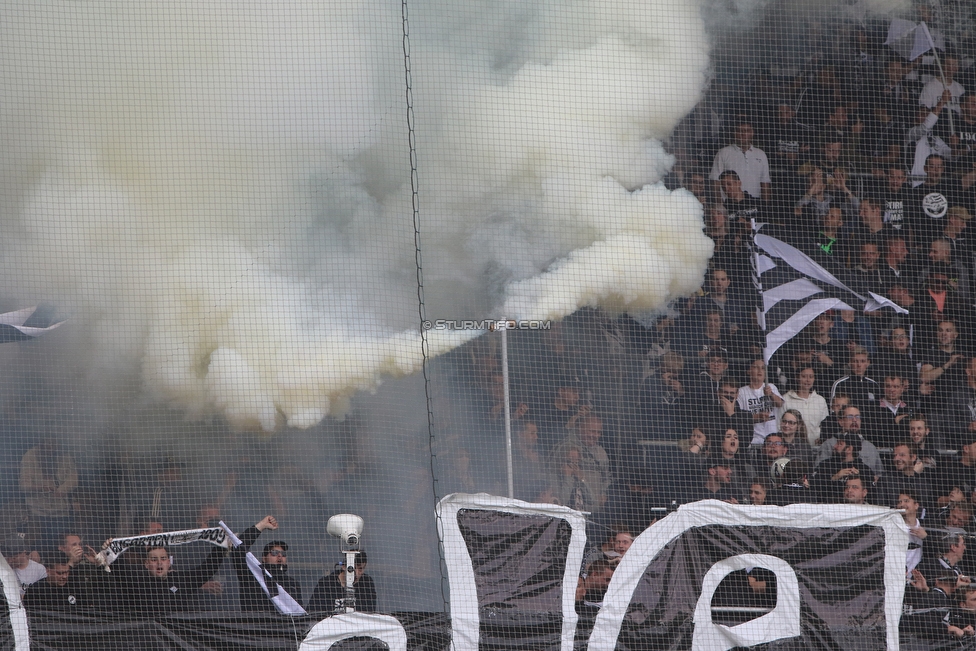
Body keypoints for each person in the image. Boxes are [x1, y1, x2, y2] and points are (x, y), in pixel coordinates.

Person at [110, 539, 226, 615]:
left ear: (169, 562)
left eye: (163, 559)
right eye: (154, 560)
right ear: (146, 564)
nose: (159, 563)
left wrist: (222, 545)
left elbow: (206, 570)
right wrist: (108, 551)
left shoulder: (179, 580)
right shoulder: (138, 581)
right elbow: (119, 569)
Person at [231, 515, 303, 613]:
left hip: (285, 628)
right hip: (257, 627)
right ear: (264, 558)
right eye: (274, 553)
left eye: (283, 554)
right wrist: (261, 526)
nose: (279, 556)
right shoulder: (253, 576)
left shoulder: (293, 585)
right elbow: (238, 550)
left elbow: (299, 614)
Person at [307, 551, 377, 614]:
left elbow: (369, 613)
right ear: (344, 566)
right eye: (354, 568)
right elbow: (313, 612)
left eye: (361, 568)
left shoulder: (367, 584)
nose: (358, 572)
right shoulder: (325, 584)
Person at [737, 359, 784, 446]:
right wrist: (756, 417)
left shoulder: (771, 387)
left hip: (772, 439)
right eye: (756, 367)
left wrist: (771, 394)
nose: (759, 370)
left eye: (762, 368)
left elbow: (780, 404)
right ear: (748, 371)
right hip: (754, 439)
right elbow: (739, 416)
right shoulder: (741, 392)